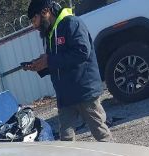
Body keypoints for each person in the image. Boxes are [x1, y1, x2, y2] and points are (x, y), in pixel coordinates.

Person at [24, 0, 113, 142]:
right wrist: (40, 65)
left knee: (100, 133)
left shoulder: (72, 23)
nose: (34, 26)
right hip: (65, 96)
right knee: (66, 140)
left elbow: (82, 52)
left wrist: (49, 60)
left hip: (84, 92)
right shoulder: (49, 33)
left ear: (45, 12)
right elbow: (58, 62)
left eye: (34, 20)